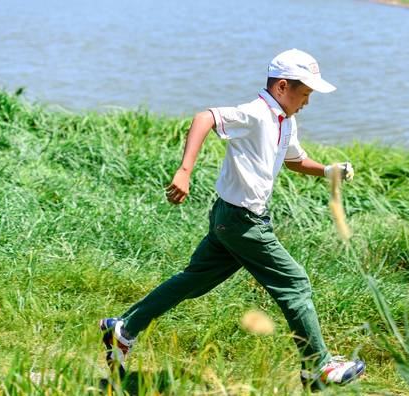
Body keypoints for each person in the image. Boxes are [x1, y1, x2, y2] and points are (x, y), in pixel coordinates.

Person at [100, 48, 365, 389]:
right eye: (305, 93)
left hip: (231, 218)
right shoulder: (256, 113)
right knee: (295, 284)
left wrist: (328, 171)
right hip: (243, 220)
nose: (307, 101)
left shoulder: (286, 120)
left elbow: (294, 160)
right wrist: (184, 171)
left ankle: (124, 328)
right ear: (282, 87)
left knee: (193, 280)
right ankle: (318, 367)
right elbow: (205, 118)